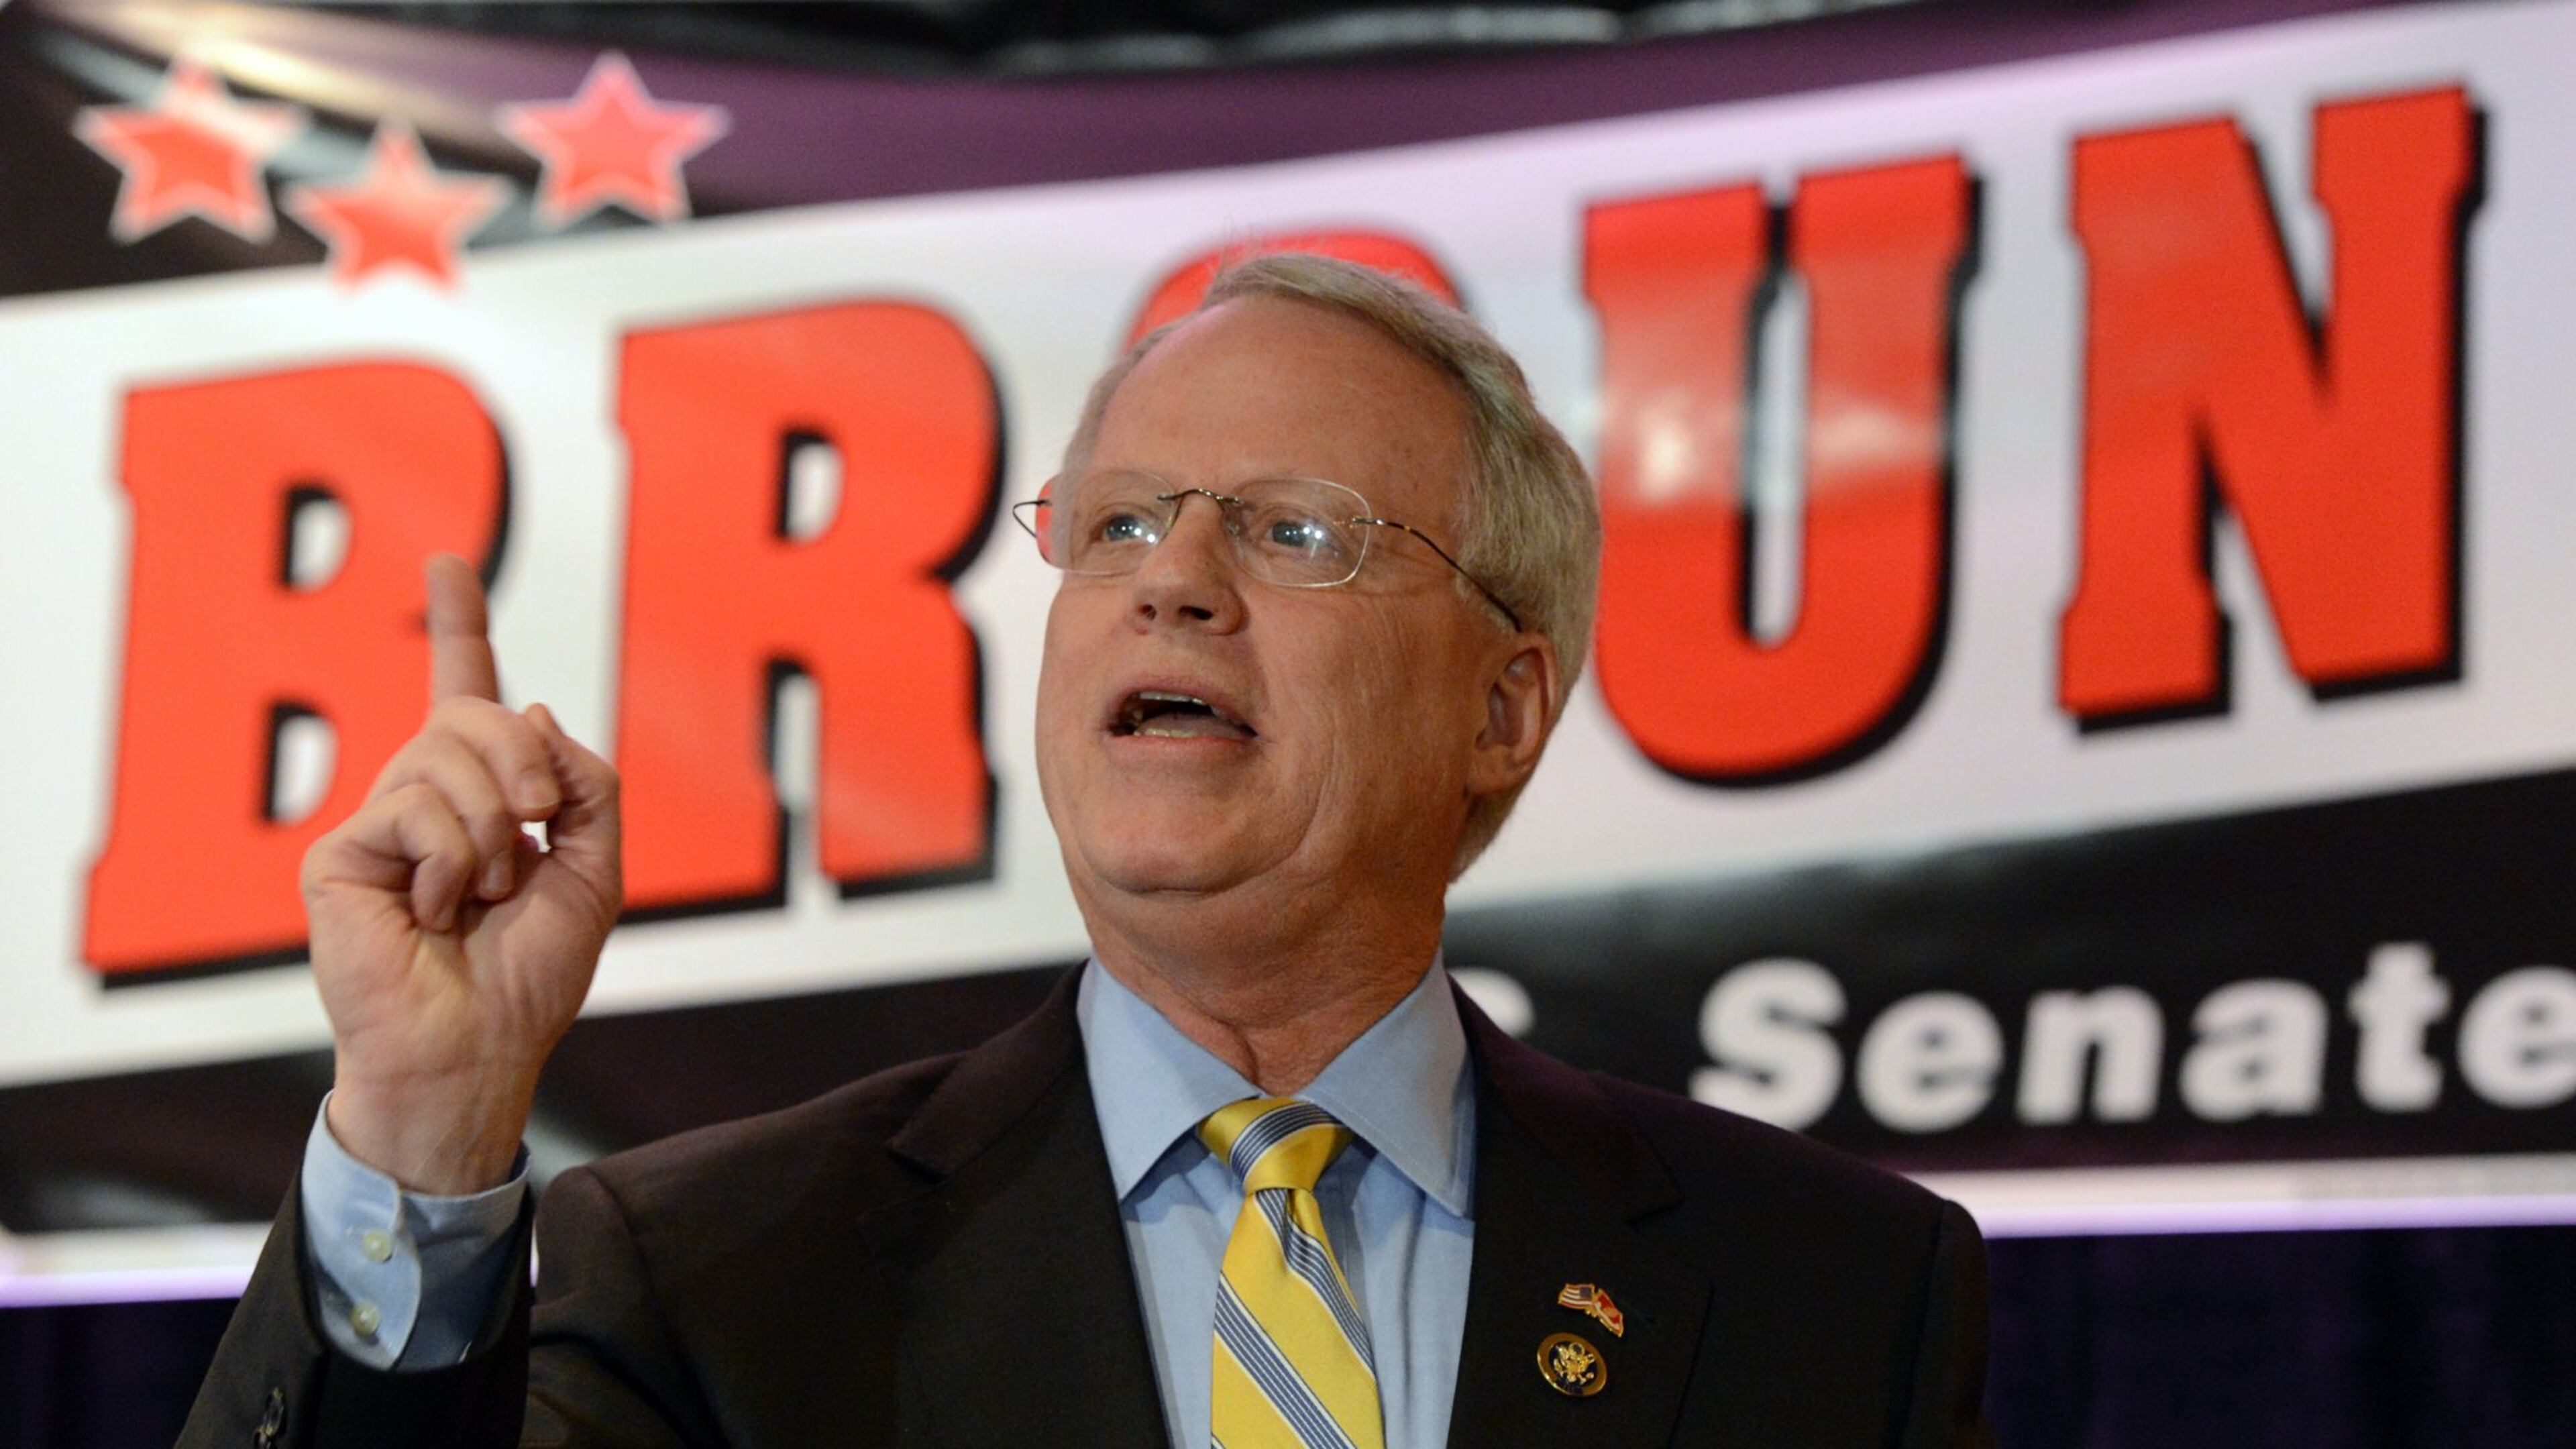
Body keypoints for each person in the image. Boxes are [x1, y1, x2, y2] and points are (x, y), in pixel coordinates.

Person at [180, 255, 1993, 1448]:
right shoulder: (712, 1272)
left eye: (1294, 530)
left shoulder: (1830, 1294)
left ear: (1503, 709)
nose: (1172, 578)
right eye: (1118, 520)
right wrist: (421, 1135)